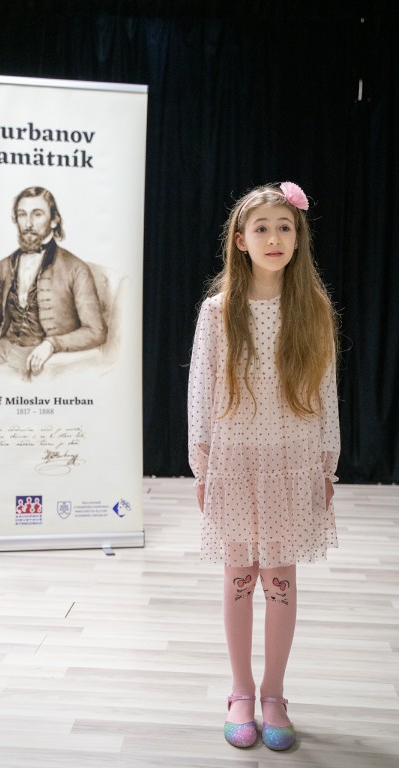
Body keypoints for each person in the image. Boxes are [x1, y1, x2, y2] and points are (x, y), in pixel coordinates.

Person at [188, 182, 340, 751]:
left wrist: (326, 463)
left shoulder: (312, 309)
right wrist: (203, 465)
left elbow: (325, 390)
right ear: (240, 240)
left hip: (292, 458)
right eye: (262, 228)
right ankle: (240, 691)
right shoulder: (218, 311)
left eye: (284, 227)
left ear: (298, 237)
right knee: (238, 575)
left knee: (279, 575)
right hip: (235, 459)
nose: (274, 238)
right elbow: (201, 390)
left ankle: (274, 693)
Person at [0, 186, 107, 377]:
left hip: (33, 360)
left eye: (37, 214)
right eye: (22, 214)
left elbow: (96, 331)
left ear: (54, 220)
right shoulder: (5, 265)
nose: (28, 223)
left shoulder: (76, 268)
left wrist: (52, 344)